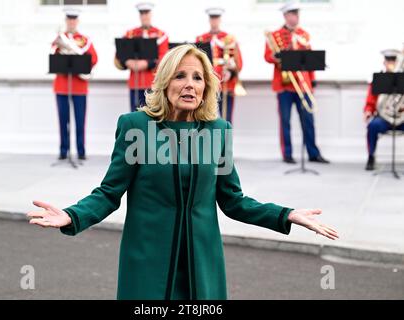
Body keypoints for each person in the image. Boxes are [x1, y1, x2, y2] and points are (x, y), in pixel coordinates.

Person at [28, 44, 338, 300]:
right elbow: (109, 193)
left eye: (198, 77)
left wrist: (286, 215)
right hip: (148, 262)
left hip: (201, 266)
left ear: (207, 86)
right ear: (164, 82)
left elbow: (233, 200)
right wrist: (73, 215)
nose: (190, 84)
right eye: (180, 75)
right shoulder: (136, 127)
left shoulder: (218, 131)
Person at [264, 1, 329, 164]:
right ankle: (287, 154)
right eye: (293, 14)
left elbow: (310, 60)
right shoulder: (275, 36)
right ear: (286, 16)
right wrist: (276, 57)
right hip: (284, 86)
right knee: (285, 122)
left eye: (297, 14)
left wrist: (312, 81)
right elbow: (267, 56)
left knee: (308, 121)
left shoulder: (304, 35)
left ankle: (313, 153)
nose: (296, 17)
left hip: (302, 84)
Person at [51, 8, 98, 161]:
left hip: (79, 86)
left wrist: (79, 58)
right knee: (63, 120)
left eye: (74, 19)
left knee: (80, 120)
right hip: (62, 86)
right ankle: (63, 150)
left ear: (77, 21)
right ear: (66, 21)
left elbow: (94, 58)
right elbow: (53, 57)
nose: (71, 22)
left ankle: (81, 150)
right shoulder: (58, 39)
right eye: (69, 19)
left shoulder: (85, 40)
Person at [114, 2, 169, 112]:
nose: (144, 16)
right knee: (135, 117)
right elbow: (119, 54)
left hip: (153, 84)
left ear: (150, 14)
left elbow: (164, 56)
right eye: (142, 13)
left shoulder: (161, 34)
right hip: (135, 83)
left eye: (146, 13)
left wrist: (146, 64)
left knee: (153, 117)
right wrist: (127, 62)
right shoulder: (130, 34)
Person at [196, 7, 243, 124]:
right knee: (205, 117)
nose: (214, 21)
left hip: (225, 83)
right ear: (209, 20)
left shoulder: (229, 38)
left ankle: (226, 142)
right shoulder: (201, 39)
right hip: (207, 84)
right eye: (212, 18)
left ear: (220, 20)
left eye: (216, 18)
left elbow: (238, 62)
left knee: (226, 118)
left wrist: (231, 72)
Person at [364, 49, 404, 171]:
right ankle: (371, 156)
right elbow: (370, 102)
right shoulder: (378, 80)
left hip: (401, 118)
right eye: (388, 61)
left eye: (393, 61)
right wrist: (368, 111)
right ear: (384, 62)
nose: (391, 63)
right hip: (384, 118)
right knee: (372, 126)